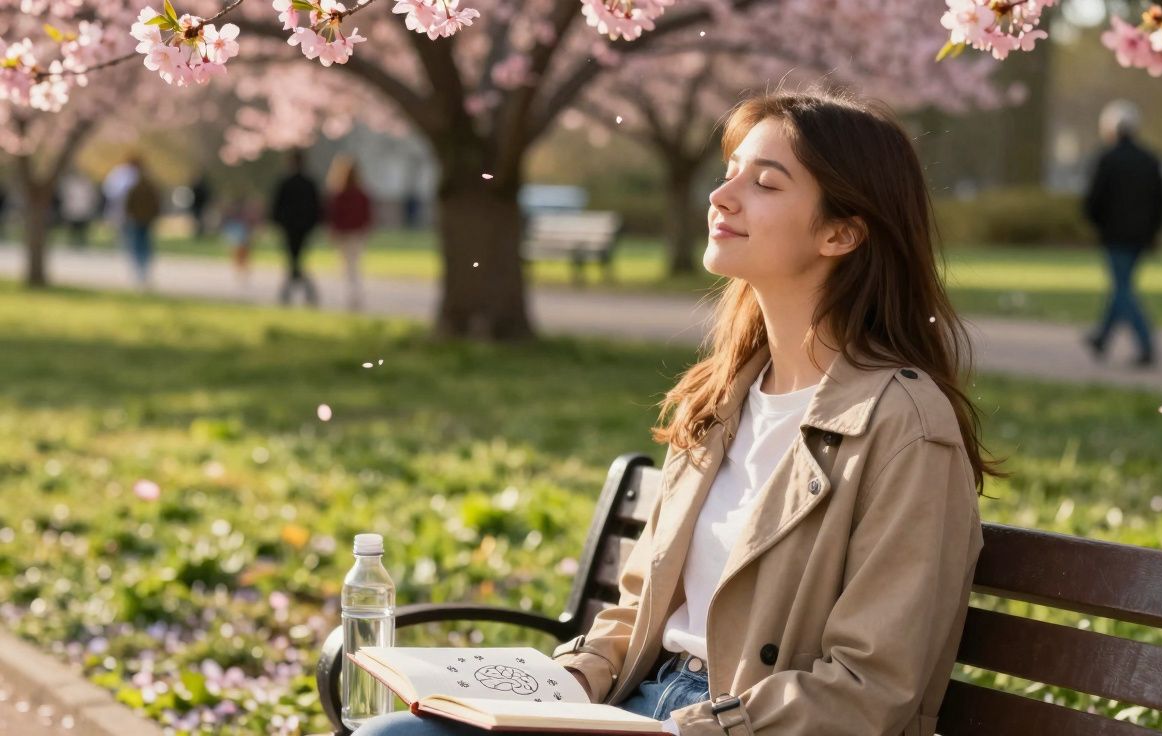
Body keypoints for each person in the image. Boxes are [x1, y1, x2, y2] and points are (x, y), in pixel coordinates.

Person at [357, 89, 995, 736]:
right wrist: (562, 686)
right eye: (729, 174)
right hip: (641, 707)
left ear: (841, 232)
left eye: (766, 183)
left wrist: (689, 730)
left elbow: (869, 686)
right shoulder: (723, 396)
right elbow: (639, 607)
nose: (723, 196)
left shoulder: (905, 425)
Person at [1082, 100, 1162, 368]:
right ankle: (1102, 337)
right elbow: (1161, 201)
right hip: (1141, 237)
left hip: (1115, 236)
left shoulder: (1107, 159)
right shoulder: (1151, 159)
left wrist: (1098, 224)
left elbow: (1093, 201)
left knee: (1122, 289)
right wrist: (1154, 230)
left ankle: (1146, 345)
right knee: (1122, 286)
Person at [269, 150, 321, 306]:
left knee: (294, 260)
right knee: (295, 260)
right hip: (300, 227)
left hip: (292, 227)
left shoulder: (288, 182)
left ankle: (290, 292)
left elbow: (277, 207)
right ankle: (303, 291)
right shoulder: (307, 183)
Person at [326, 155, 373, 311]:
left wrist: (334, 231)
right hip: (356, 233)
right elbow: (366, 215)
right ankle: (354, 293)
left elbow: (335, 216)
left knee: (348, 265)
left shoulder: (341, 195)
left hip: (346, 233)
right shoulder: (360, 194)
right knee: (353, 264)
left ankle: (353, 294)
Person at [123, 162, 162, 289]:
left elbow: (128, 205)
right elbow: (156, 205)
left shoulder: (134, 188)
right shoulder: (151, 188)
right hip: (147, 220)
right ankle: (144, 270)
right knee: (145, 244)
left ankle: (140, 270)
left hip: (137, 219)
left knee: (137, 244)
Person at [220, 196, 260, 288]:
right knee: (238, 254)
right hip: (239, 237)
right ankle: (240, 270)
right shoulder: (234, 215)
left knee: (243, 254)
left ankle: (243, 270)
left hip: (243, 237)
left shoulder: (245, 215)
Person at [59, 172, 99, 248]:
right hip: (72, 209)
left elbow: (92, 197)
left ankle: (81, 243)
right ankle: (73, 243)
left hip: (83, 210)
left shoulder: (88, 184)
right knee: (73, 229)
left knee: (82, 228)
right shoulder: (70, 183)